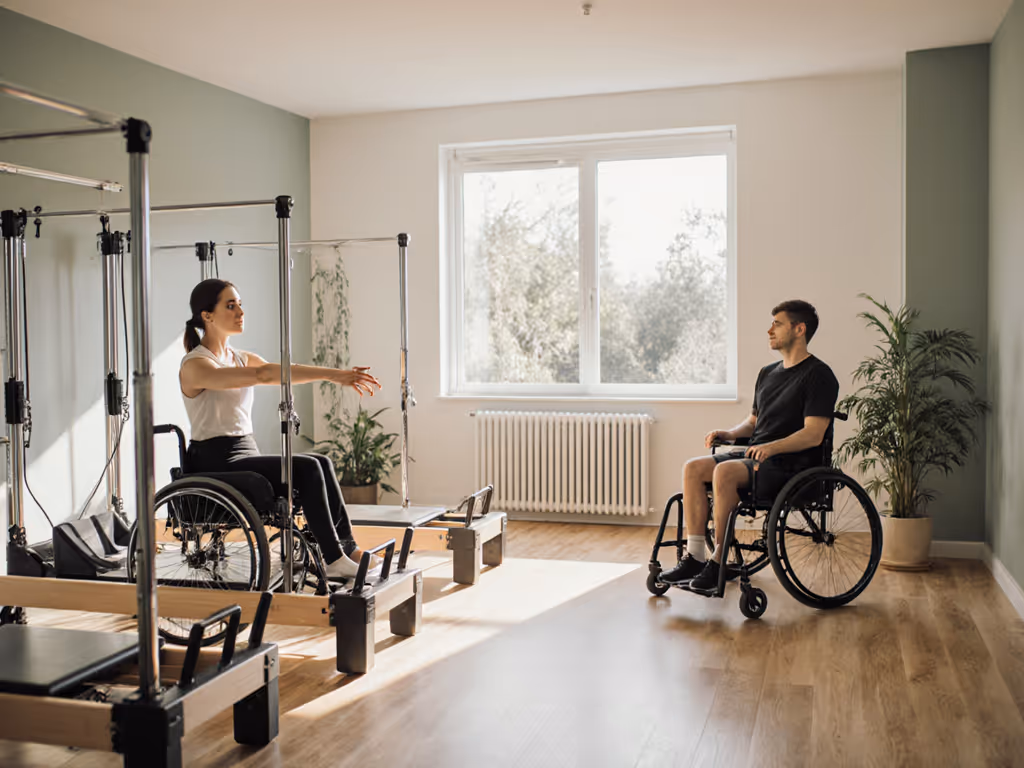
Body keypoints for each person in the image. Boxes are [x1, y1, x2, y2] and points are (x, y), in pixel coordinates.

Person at [179, 278, 381, 580]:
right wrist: (331, 375)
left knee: (320, 462)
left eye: (241, 304)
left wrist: (336, 375)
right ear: (206, 316)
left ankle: (347, 550)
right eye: (230, 305)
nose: (240, 312)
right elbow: (262, 374)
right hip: (216, 461)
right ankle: (332, 557)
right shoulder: (196, 365)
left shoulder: (239, 357)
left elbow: (284, 370)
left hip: (245, 452)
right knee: (307, 468)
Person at [660, 299, 839, 592]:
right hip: (757, 458)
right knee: (693, 468)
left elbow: (814, 434)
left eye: (777, 324)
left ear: (799, 329)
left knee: (725, 473)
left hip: (793, 465)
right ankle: (694, 556)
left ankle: (718, 561)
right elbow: (753, 422)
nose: (769, 330)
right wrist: (729, 433)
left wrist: (773, 448)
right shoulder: (768, 373)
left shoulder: (819, 375)